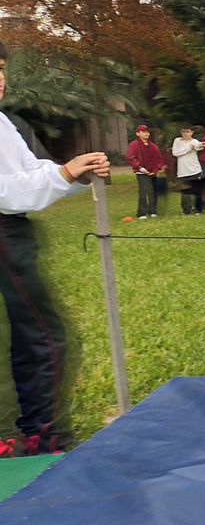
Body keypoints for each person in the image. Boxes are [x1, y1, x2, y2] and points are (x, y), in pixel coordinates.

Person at [0, 39, 111, 456]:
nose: (0, 79)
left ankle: (30, 431)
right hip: (4, 235)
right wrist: (64, 174)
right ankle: (37, 435)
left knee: (33, 334)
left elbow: (29, 171)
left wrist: (73, 173)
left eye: (1, 69)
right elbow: (6, 191)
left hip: (11, 233)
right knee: (40, 335)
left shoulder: (2, 122)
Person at [126, 124, 165, 219]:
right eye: (143, 132)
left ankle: (152, 210)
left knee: (153, 191)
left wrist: (156, 169)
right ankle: (142, 213)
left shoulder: (153, 146)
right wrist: (140, 168)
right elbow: (131, 158)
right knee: (143, 191)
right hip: (141, 172)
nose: (146, 134)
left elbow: (159, 159)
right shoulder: (134, 145)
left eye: (147, 132)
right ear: (138, 133)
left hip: (153, 172)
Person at [171, 126, 205, 215]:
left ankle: (198, 210)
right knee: (185, 191)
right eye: (184, 132)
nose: (185, 134)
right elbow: (175, 153)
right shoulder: (177, 140)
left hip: (195, 170)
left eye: (188, 132)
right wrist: (189, 148)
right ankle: (186, 210)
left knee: (197, 191)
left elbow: (198, 146)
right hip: (183, 171)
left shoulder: (194, 141)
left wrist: (202, 145)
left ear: (192, 132)